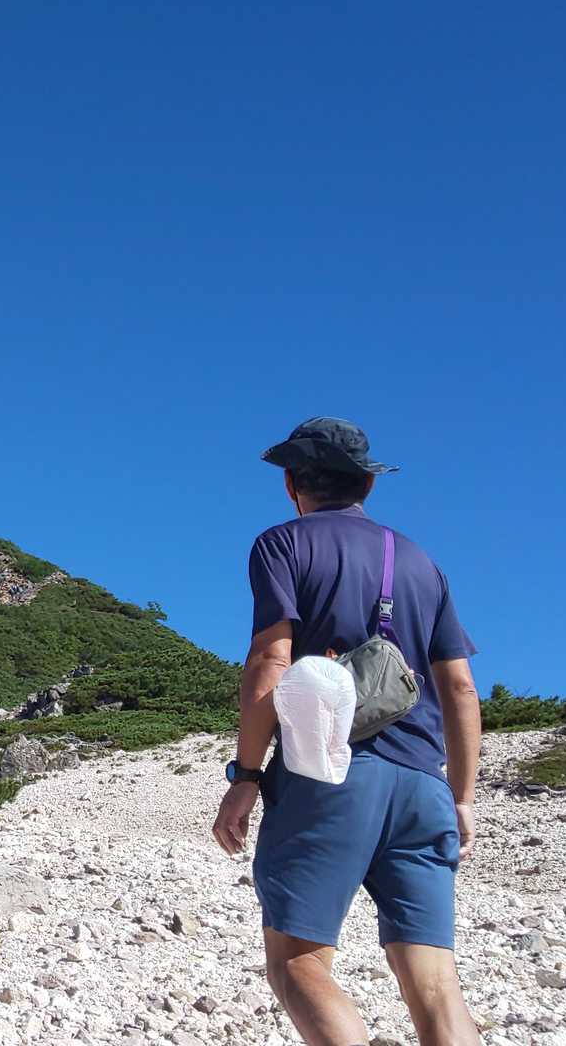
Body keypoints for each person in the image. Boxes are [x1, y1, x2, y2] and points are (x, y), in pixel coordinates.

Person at [211, 417, 484, 1046]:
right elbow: (461, 689)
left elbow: (271, 660)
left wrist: (246, 776)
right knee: (436, 986)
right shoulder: (422, 564)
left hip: (327, 774)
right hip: (423, 789)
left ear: (291, 484)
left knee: (298, 963)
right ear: (368, 483)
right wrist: (463, 797)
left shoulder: (283, 545)